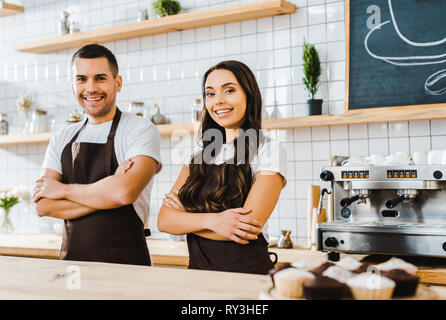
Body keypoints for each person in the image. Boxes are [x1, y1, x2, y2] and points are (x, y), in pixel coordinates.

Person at [33, 44, 162, 266]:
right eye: (82, 79)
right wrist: (107, 192)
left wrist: (63, 191)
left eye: (100, 78)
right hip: (72, 268)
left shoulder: (140, 130)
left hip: (127, 269)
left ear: (117, 83)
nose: (90, 88)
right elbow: (43, 205)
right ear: (73, 86)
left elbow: (123, 193)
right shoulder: (62, 138)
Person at [157, 60, 287, 274]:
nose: (218, 101)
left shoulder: (268, 150)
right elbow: (164, 221)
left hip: (247, 280)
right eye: (210, 93)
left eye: (229, 90)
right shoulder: (197, 156)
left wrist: (186, 218)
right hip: (198, 278)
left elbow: (246, 227)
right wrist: (215, 221)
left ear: (249, 94)